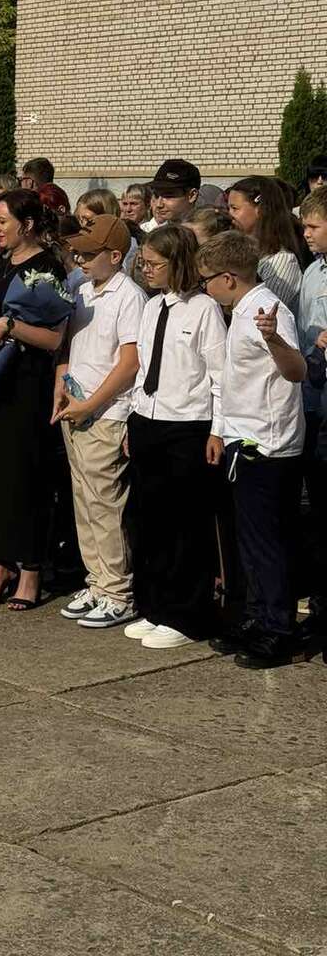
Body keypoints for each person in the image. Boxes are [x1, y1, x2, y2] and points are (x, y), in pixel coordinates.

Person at [198, 231, 306, 668]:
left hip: (268, 444)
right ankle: (257, 618)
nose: (204, 287)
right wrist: (221, 430)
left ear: (228, 278)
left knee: (267, 543)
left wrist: (275, 339)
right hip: (243, 439)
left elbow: (296, 370)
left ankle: (278, 630)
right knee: (250, 540)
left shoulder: (269, 311)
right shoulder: (240, 312)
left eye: (207, 279)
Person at [125, 226, 227, 648]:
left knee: (184, 523)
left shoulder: (204, 310)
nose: (146, 270)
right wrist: (134, 417)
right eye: (143, 262)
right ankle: (155, 605)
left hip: (187, 426)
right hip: (148, 420)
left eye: (154, 264)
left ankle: (186, 614)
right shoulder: (152, 307)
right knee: (148, 520)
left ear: (178, 262)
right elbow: (143, 366)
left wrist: (217, 430)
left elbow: (219, 376)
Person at [0, 190, 70, 609]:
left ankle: (31, 569)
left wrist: (9, 326)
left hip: (28, 385)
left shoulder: (47, 268)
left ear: (26, 224)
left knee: (25, 477)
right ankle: (1, 563)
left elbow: (54, 338)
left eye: (2, 221)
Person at [52, 214, 145, 629]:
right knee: (84, 502)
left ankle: (118, 592)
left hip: (105, 414)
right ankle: (98, 581)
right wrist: (62, 387)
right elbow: (70, 345)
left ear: (116, 256)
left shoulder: (129, 296)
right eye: (78, 253)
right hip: (75, 409)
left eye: (89, 254)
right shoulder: (83, 290)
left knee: (106, 506)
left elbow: (129, 362)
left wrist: (91, 405)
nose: (81, 260)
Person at [295, 186, 327, 646]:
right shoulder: (313, 272)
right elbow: (304, 331)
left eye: (314, 226)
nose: (305, 234)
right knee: (318, 506)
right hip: (314, 396)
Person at [227, 176, 304, 310]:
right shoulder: (243, 251)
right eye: (228, 208)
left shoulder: (282, 261)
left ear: (260, 209)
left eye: (235, 208)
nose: (229, 214)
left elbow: (263, 311)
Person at [143, 160, 201, 231]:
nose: (159, 204)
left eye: (168, 195)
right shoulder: (151, 233)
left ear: (192, 195)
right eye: (156, 195)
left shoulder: (207, 234)